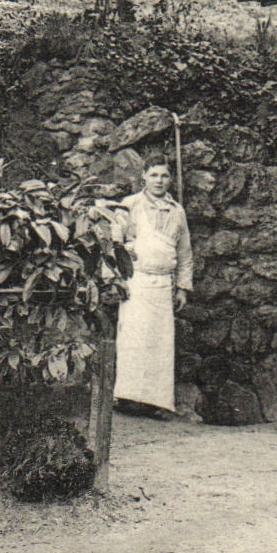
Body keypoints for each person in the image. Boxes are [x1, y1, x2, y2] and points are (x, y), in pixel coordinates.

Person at [113, 159, 193, 417]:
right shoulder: (129, 205)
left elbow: (185, 253)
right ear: (143, 176)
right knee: (133, 340)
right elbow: (114, 244)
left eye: (165, 175)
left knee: (160, 344)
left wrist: (182, 288)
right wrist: (117, 279)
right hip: (135, 282)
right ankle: (127, 398)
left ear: (170, 179)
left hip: (162, 286)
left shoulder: (177, 211)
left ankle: (155, 403)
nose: (159, 180)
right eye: (154, 175)